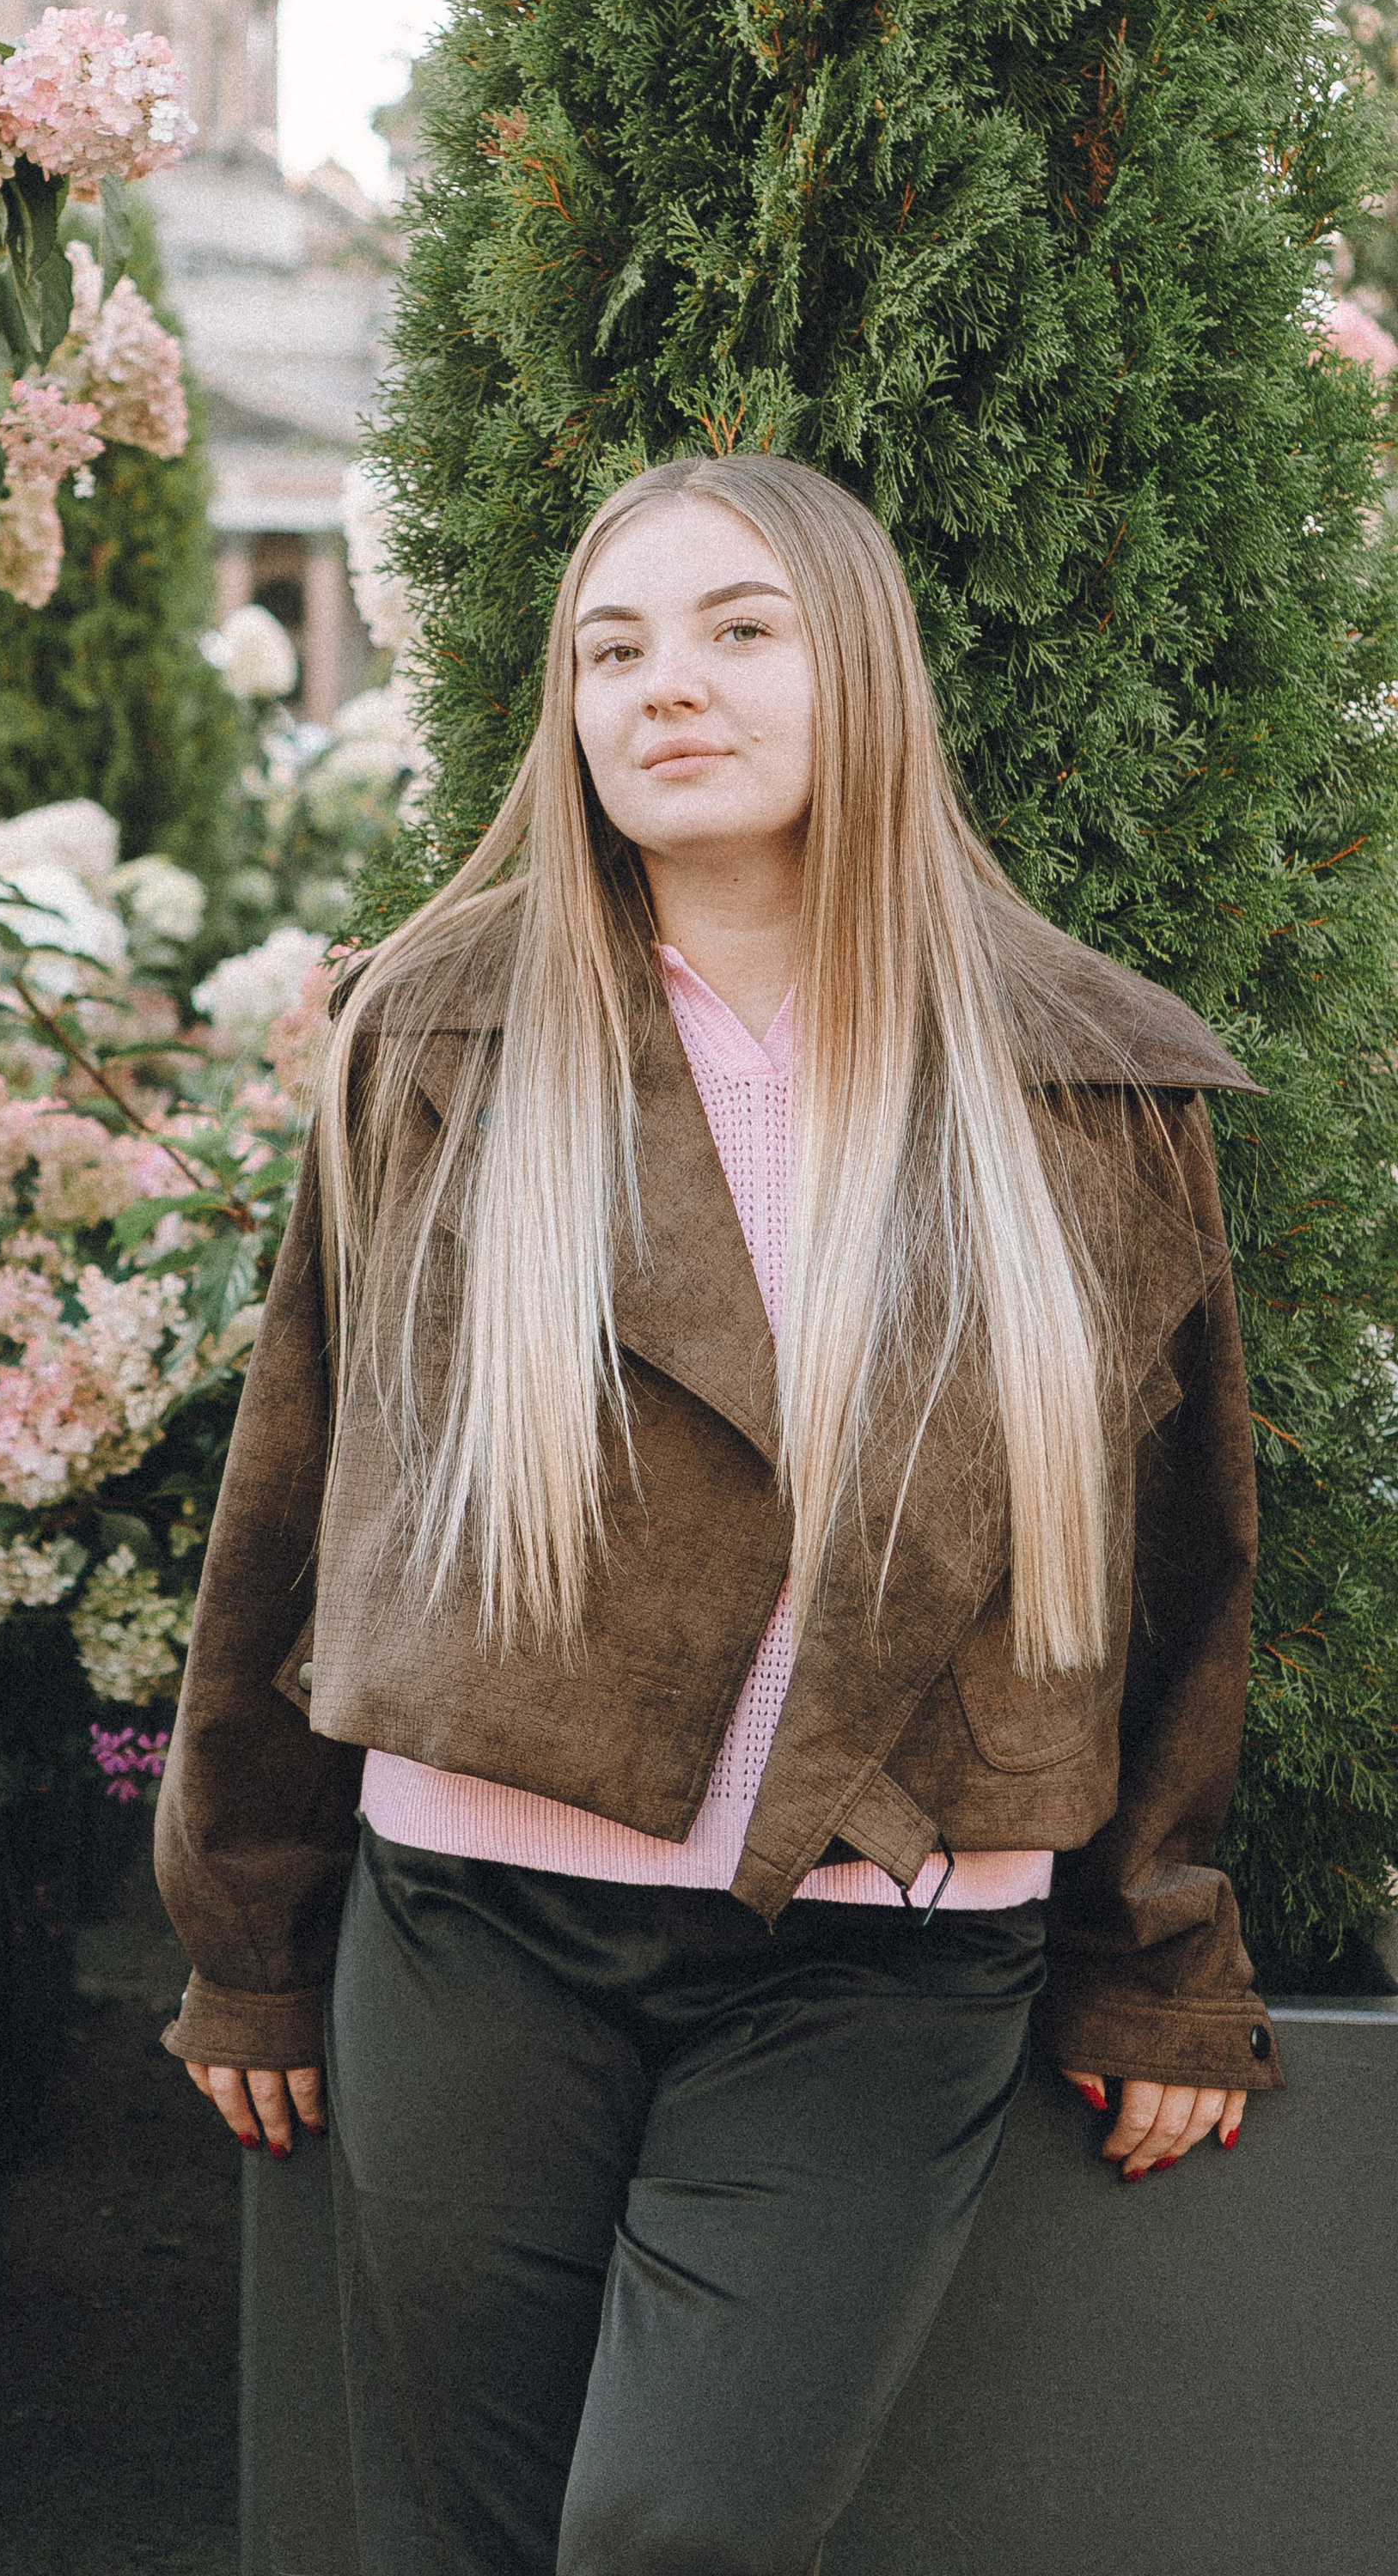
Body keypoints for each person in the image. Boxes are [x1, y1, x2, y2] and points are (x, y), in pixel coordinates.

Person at [154, 454, 1281, 2576]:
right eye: (612, 648)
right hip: (467, 1927)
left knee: (666, 2535)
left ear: (859, 668)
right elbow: (294, 1494)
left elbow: (1177, 1554)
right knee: (452, 2543)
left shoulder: (1082, 1077)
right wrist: (246, 1937)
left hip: (875, 1960)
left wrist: (1152, 1963)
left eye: (738, 628)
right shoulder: (440, 1029)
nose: (664, 685)